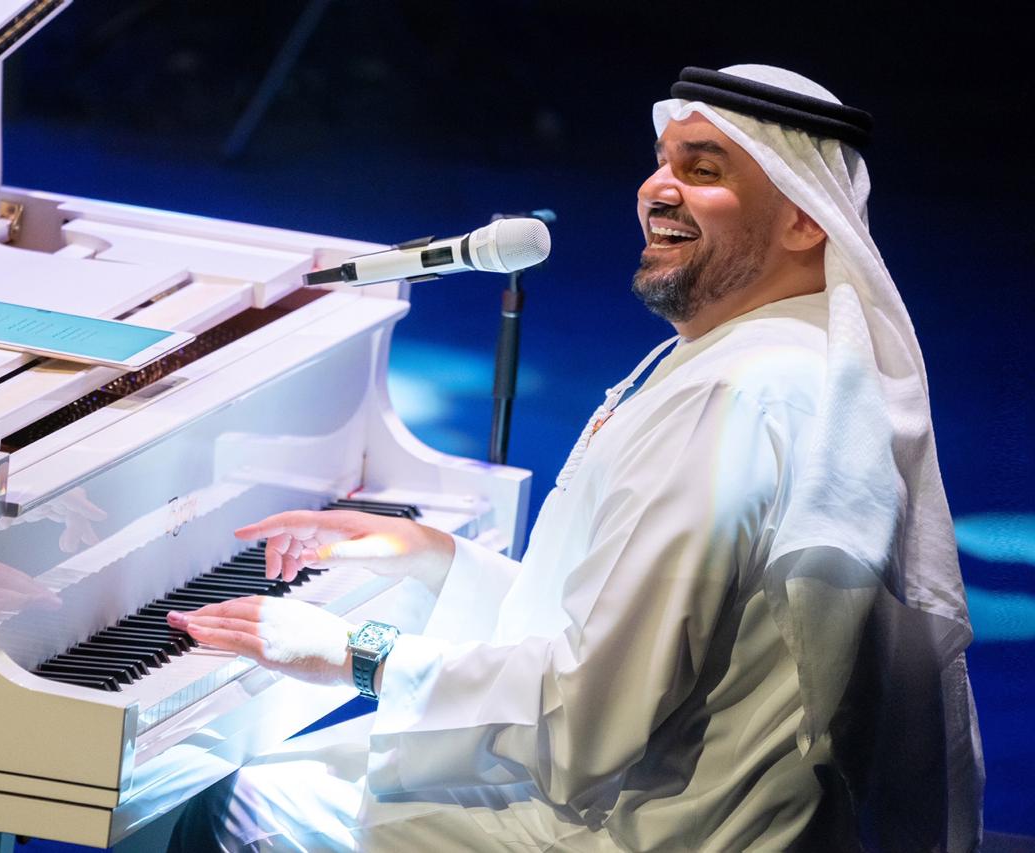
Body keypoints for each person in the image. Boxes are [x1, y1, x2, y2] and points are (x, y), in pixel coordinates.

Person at [164, 65, 984, 851]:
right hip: (683, 801)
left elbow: (588, 720)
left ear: (806, 220)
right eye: (662, 163)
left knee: (240, 808)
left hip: (649, 829)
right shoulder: (782, 357)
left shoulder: (738, 395)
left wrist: (358, 651)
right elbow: (639, 633)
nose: (657, 189)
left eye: (703, 171)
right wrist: (438, 556)